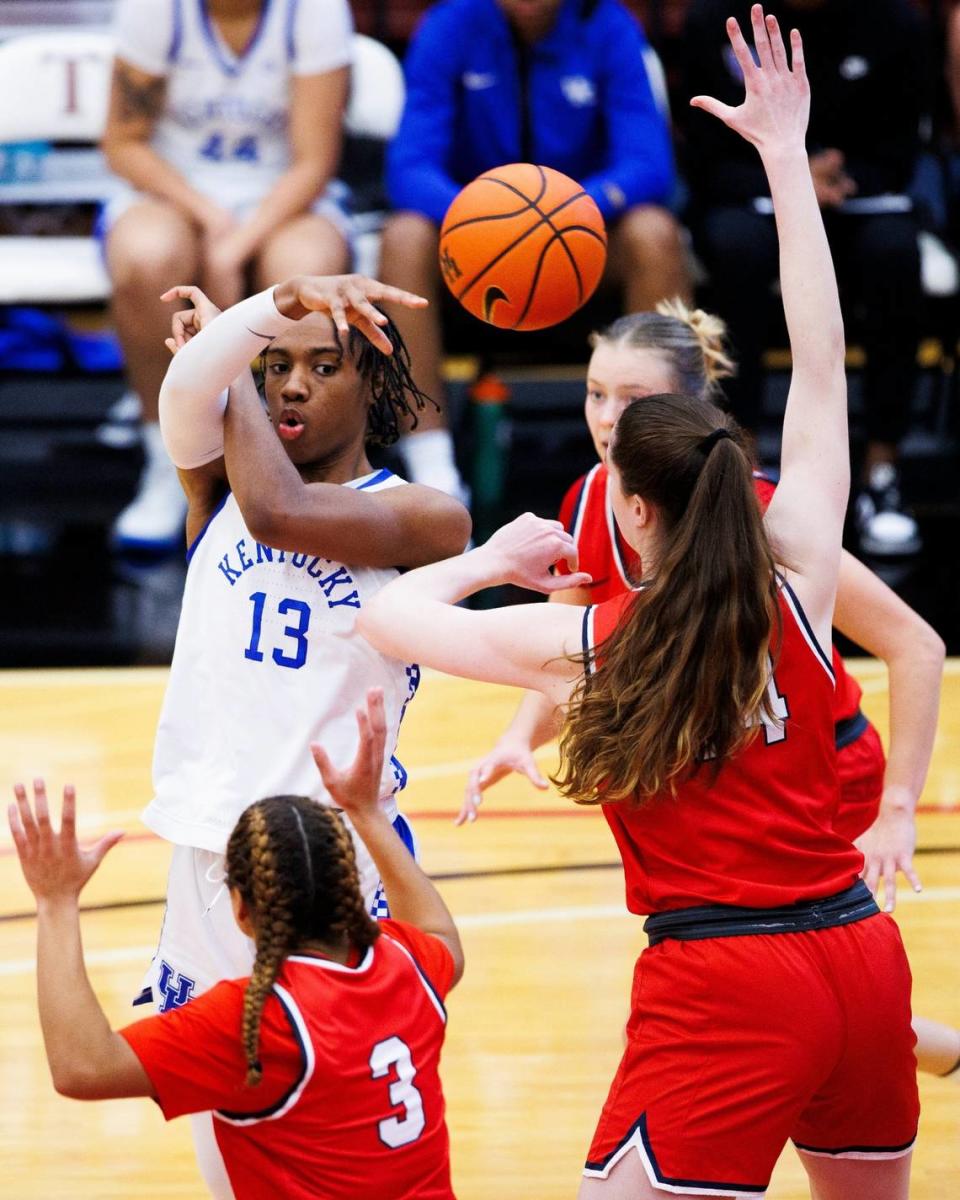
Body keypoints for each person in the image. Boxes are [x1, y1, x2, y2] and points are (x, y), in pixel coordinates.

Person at [357, 10, 920, 1196]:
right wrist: (784, 156)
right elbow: (820, 364)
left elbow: (388, 621)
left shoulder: (599, 644)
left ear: (637, 513)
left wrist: (487, 556)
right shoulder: (801, 580)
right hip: (865, 959)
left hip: (727, 982)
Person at [462, 298, 960, 1076]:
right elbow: (567, 649)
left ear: (688, 409)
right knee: (796, 992)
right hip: (725, 761)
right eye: (596, 393)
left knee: (798, 991)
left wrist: (899, 812)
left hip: (816, 763)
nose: (606, 416)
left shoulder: (755, 515)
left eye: (633, 400)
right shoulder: (595, 499)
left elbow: (918, 645)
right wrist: (518, 737)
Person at [144, 272, 469, 1195]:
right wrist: (252, 321)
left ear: (373, 383)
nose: (290, 385)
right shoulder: (214, 472)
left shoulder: (425, 517)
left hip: (331, 860)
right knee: (227, 1138)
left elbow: (281, 513)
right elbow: (181, 401)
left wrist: (235, 360)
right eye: (275, 367)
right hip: (209, 854)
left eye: (323, 366)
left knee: (341, 1130)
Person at [8, 689, 463, 1200]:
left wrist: (55, 902)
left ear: (241, 911)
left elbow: (82, 1068)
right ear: (348, 889)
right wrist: (368, 815)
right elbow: (441, 934)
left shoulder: (258, 1023)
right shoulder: (407, 964)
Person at [378, 0, 690, 499]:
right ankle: (433, 471)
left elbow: (650, 163)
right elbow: (409, 167)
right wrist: (488, 216)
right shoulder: (450, 25)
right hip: (476, 255)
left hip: (580, 245)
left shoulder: (607, 25)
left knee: (654, 233)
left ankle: (649, 457)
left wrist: (565, 210)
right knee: (403, 237)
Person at [101, 0, 356, 552]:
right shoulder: (156, 11)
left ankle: (294, 475)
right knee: (147, 257)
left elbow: (315, 160)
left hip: (284, 192)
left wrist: (238, 243)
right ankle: (165, 458)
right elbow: (123, 142)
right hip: (175, 189)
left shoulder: (314, 11)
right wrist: (211, 217)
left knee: (307, 274)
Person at [681, 0, 928, 557]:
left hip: (854, 200)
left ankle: (882, 472)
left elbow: (904, 149)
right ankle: (738, 468)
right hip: (749, 198)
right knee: (734, 249)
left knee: (896, 254)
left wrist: (826, 175)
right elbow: (702, 159)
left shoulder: (896, 23)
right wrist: (786, 171)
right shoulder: (711, 19)